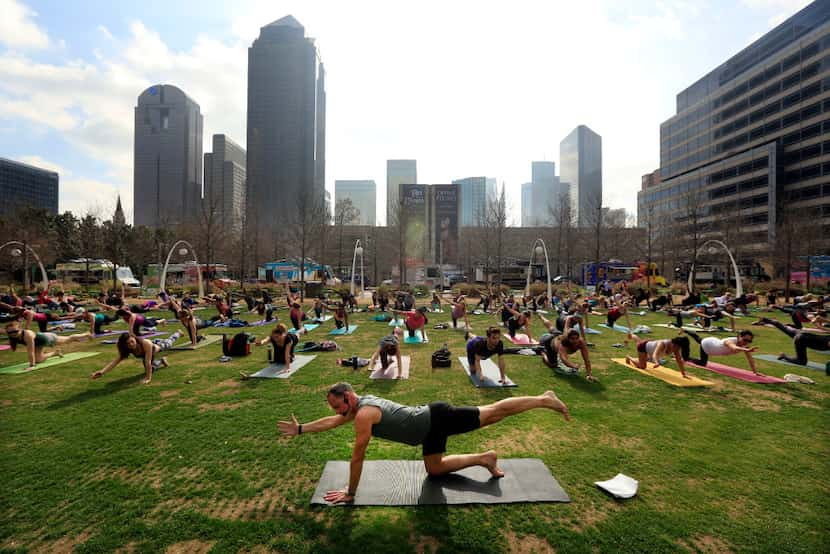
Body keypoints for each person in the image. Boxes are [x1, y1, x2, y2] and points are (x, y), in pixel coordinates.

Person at [277, 382, 570, 503]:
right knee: (435, 469)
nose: (336, 413)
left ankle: (544, 399)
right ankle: (486, 458)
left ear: (349, 397)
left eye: (337, 406)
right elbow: (332, 421)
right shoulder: (355, 408)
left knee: (493, 414)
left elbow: (357, 457)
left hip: (436, 417)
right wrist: (301, 428)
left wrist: (350, 493)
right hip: (428, 430)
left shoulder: (364, 414)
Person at [91, 330, 183, 384]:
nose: (131, 344)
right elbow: (115, 362)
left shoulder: (145, 343)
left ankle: (178, 333)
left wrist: (148, 378)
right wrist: (102, 372)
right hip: (148, 355)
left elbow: (147, 362)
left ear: (134, 338)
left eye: (132, 341)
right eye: (128, 344)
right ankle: (161, 359)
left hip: (159, 346)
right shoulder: (127, 349)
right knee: (152, 368)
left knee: (170, 342)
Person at [4, 322, 89, 369]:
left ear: (20, 329)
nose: (13, 334)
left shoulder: (27, 335)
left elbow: (30, 351)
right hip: (39, 343)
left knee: (68, 339)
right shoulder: (13, 336)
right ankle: (55, 352)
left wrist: (32, 366)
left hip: (47, 339)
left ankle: (86, 334)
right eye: (10, 332)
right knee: (38, 360)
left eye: (15, 331)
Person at [754, 317, 830, 367]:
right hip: (801, 339)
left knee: (784, 328)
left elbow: (822, 328)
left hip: (803, 334)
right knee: (801, 362)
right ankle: (784, 356)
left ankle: (767, 320)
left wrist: (819, 322)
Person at [684, 329, 759, 374]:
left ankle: (687, 331)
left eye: (749, 341)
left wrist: (755, 372)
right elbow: (734, 348)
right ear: (739, 336)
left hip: (714, 341)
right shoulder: (729, 341)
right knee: (702, 363)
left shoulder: (745, 346)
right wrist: (746, 350)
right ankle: (685, 357)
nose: (746, 342)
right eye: (745, 340)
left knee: (698, 339)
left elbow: (750, 359)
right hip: (708, 345)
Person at [625, 335, 691, 378]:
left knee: (641, 347)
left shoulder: (676, 348)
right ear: (674, 344)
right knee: (642, 366)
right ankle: (629, 357)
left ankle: (633, 336)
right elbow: (655, 355)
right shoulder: (662, 344)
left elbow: (679, 361)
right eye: (678, 347)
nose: (678, 350)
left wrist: (683, 374)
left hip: (650, 345)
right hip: (643, 347)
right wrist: (656, 362)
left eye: (679, 348)